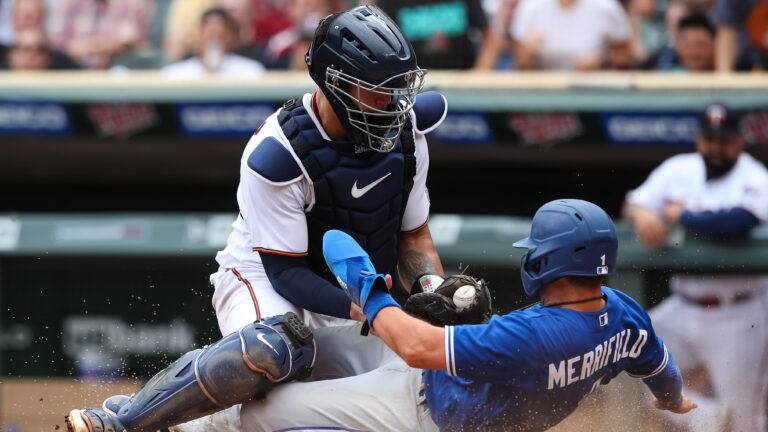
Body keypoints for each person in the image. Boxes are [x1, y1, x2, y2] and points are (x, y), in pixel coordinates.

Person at [65, 5, 448, 431]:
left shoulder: (407, 132)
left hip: (359, 290)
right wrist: (369, 308)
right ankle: (127, 420)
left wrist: (434, 292)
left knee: (428, 373)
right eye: (376, 90)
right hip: (266, 276)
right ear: (335, 83)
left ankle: (186, 426)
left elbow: (414, 237)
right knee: (276, 349)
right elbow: (286, 273)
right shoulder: (279, 152)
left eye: (397, 88)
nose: (391, 103)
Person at [230, 199, 697, 431]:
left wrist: (368, 290)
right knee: (303, 354)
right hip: (445, 386)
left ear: (546, 262)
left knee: (256, 416)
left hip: (419, 408)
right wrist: (673, 401)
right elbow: (661, 367)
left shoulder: (536, 335)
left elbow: (416, 348)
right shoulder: (624, 313)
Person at [623, 102, 768, 431]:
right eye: (709, 139)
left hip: (740, 313)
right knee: (627, 345)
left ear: (740, 141)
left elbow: (736, 224)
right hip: (683, 307)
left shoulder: (755, 176)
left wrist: (681, 215)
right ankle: (706, 418)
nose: (716, 147)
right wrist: (641, 213)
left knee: (746, 422)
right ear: (698, 138)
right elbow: (632, 202)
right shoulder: (679, 168)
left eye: (724, 140)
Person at [512, 0, 633, 70]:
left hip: (594, 94)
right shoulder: (530, 6)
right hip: (544, 94)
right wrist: (527, 52)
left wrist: (601, 60)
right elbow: (520, 64)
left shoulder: (606, 6)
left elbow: (626, 56)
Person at [162, 8, 265, 78]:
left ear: (231, 36)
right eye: (210, 33)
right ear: (199, 35)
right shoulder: (174, 74)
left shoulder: (251, 71)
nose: (214, 40)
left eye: (220, 34)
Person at [644, 11, 716, 71]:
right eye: (688, 46)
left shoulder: (721, 75)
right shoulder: (661, 72)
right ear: (678, 47)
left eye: (701, 45)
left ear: (715, 47)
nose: (694, 53)